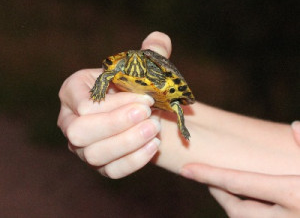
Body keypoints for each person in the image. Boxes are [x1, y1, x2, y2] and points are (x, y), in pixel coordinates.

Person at [58, 31, 300, 217]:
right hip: (154, 97)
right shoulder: (122, 70)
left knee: (174, 104)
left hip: (163, 91)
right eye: (130, 60)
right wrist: (114, 119)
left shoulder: (158, 78)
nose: (132, 60)